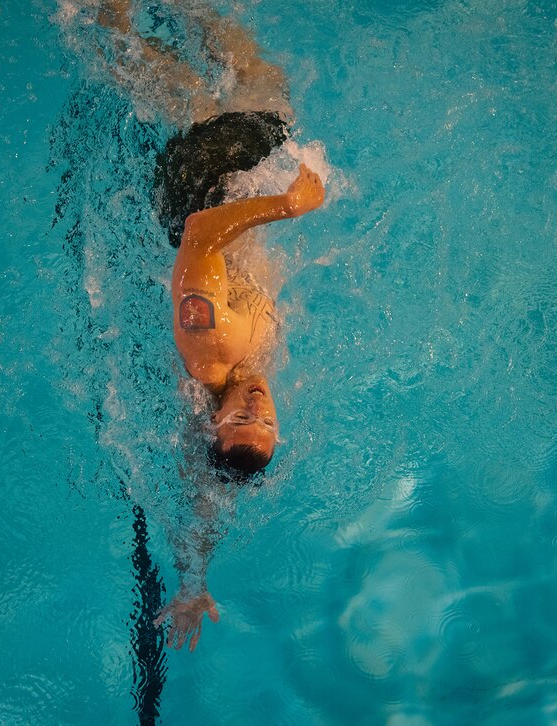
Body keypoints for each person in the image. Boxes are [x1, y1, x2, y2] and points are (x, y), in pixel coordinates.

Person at [86, 0, 325, 650]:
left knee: (244, 96)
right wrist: (193, 580)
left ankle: (99, 19)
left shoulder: (208, 344)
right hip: (225, 193)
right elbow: (208, 503)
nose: (259, 407)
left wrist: (286, 206)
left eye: (244, 419)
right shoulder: (240, 400)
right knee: (253, 85)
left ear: (210, 422)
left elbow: (198, 233)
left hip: (197, 191)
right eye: (269, 423)